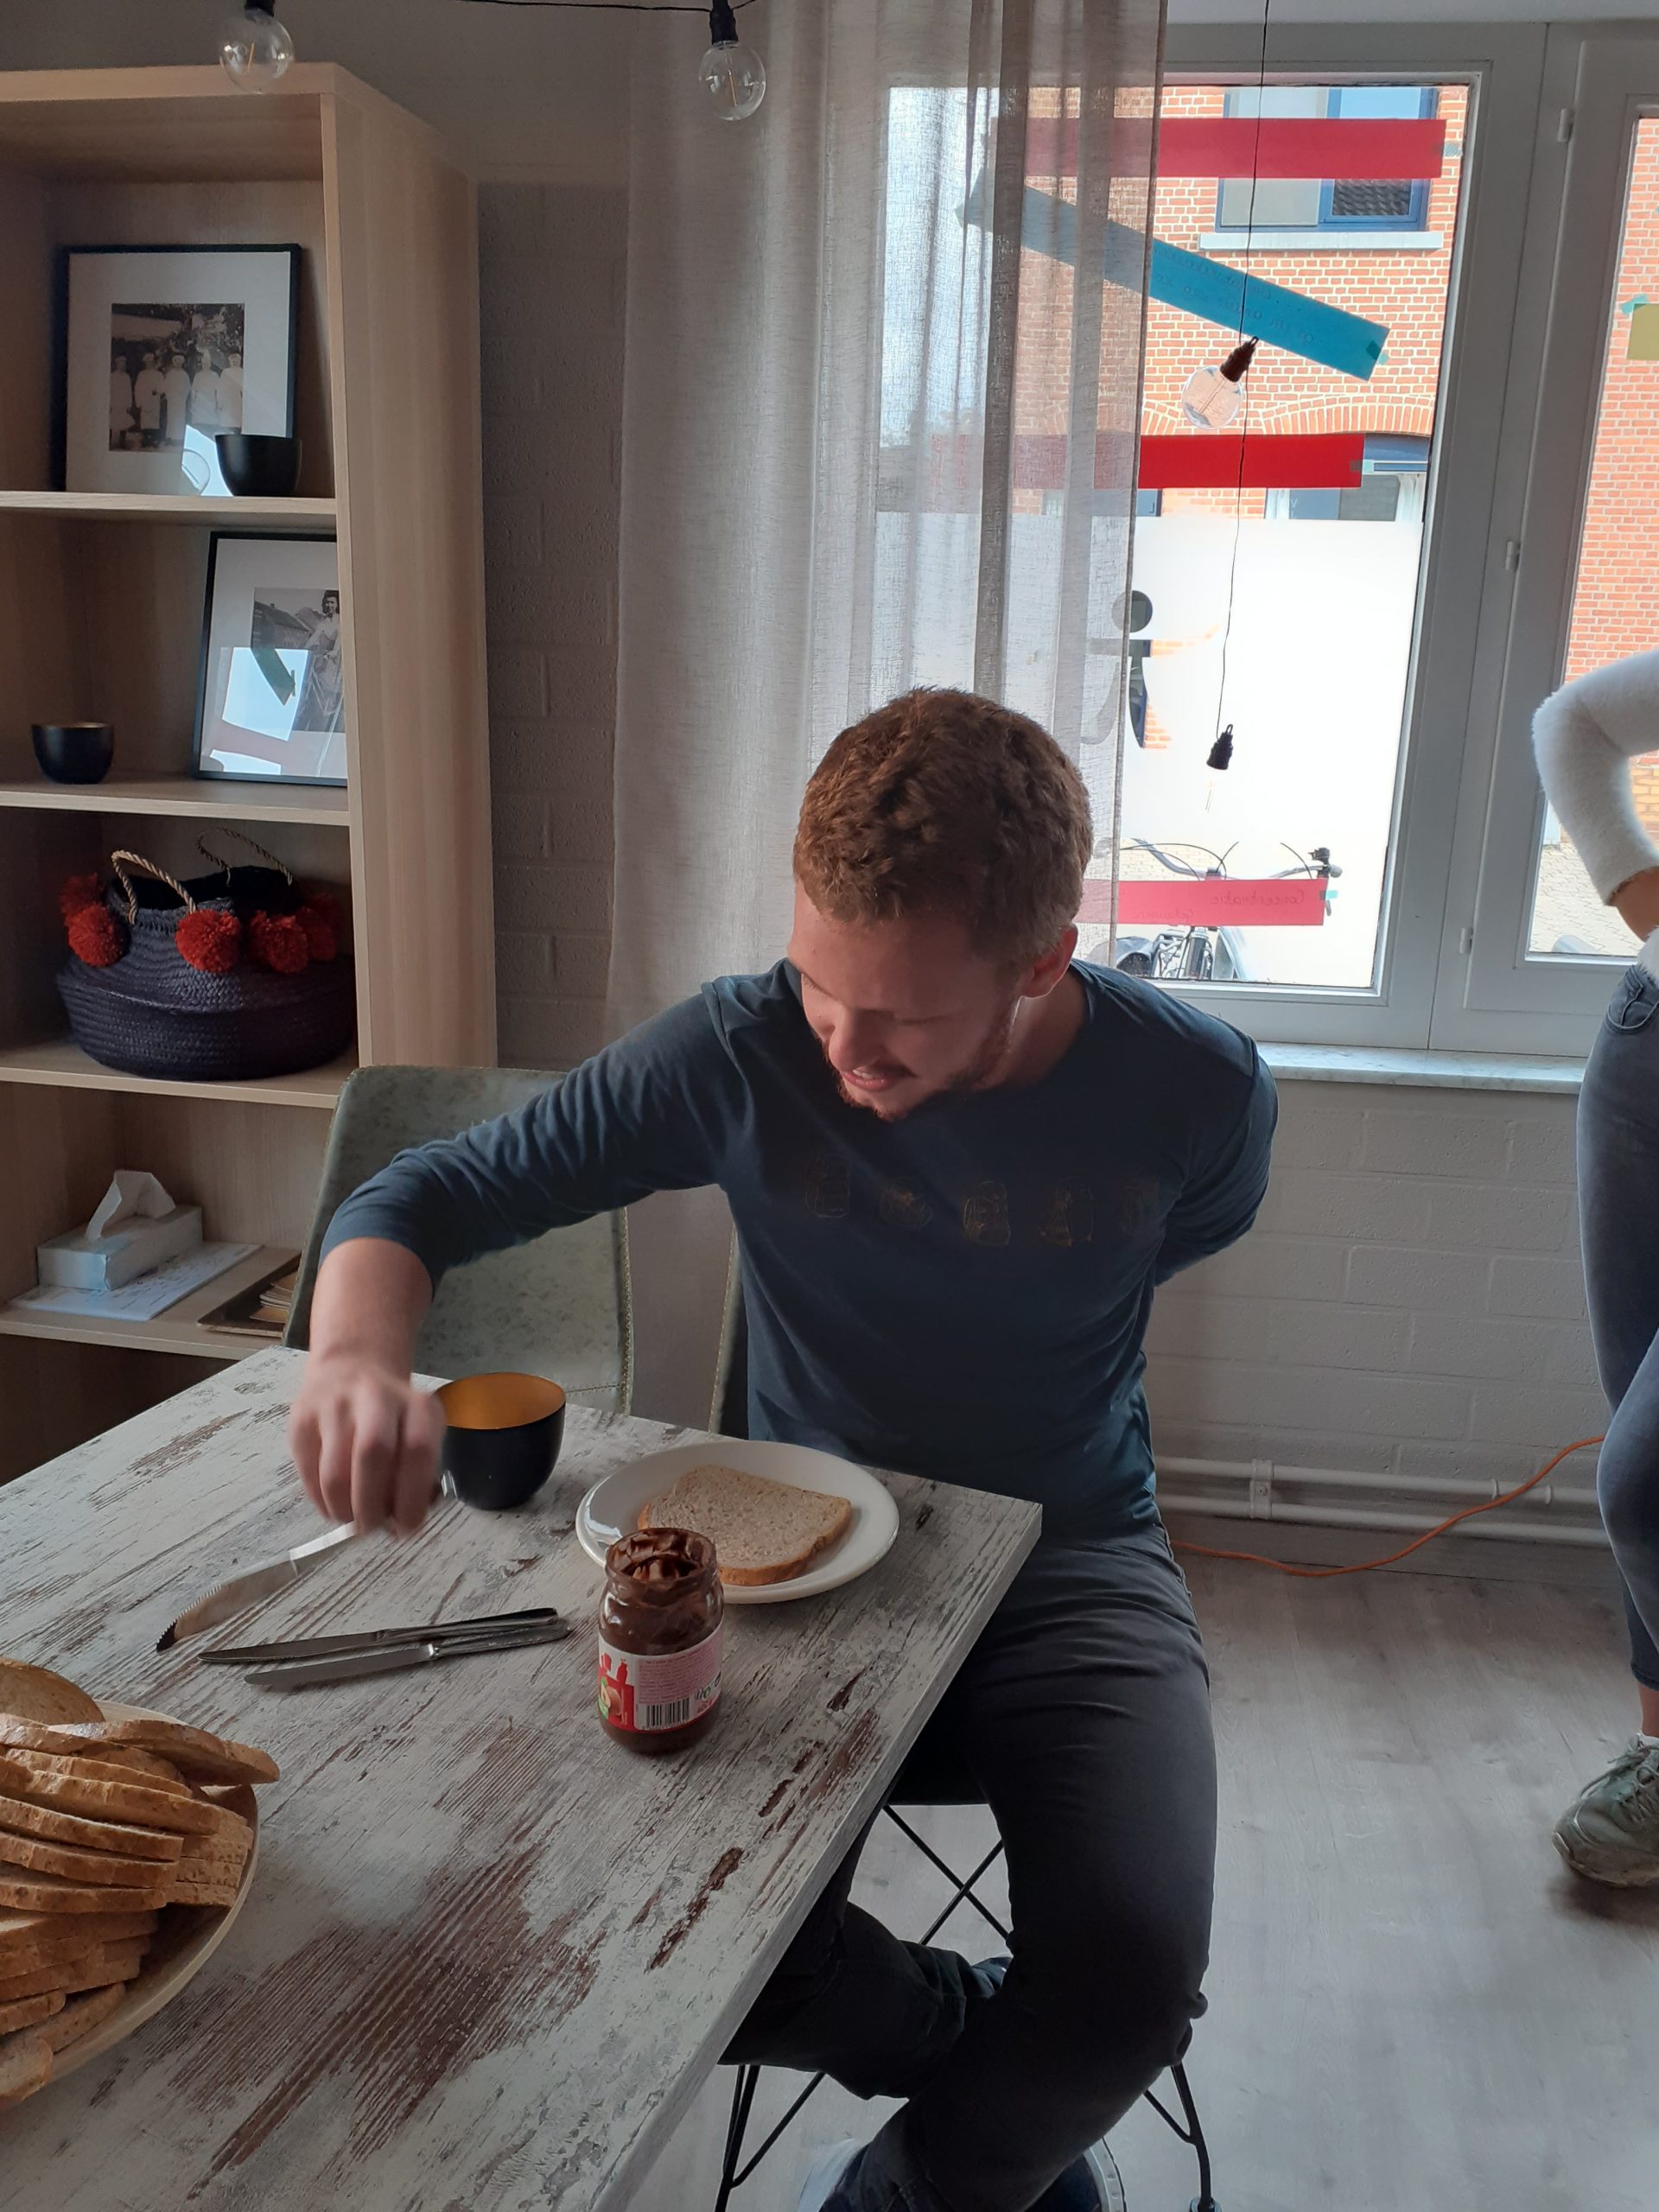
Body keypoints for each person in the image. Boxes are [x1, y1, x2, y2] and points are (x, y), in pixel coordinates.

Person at [288, 688, 1278, 2212]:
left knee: (1134, 1985)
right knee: (674, 1942)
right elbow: (422, 1196)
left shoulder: (1199, 1090)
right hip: (800, 1576)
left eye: (902, 1020)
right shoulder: (743, 1048)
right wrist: (355, 1356)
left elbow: (1181, 1234)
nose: (844, 1050)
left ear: (1042, 964)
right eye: (821, 986)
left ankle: (910, 2186)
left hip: (1074, 1557)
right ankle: (978, 2056)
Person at [1535, 646, 1659, 1887]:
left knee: (1646, 1477)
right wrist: (1644, 893)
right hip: (1649, 1054)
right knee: (1638, 1421)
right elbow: (1572, 720)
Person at [133, 350, 166, 451]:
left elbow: (162, 387)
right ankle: (146, 440)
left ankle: (154, 440)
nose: (149, 364)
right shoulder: (142, 374)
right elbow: (138, 389)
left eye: (151, 362)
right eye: (147, 362)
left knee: (154, 421)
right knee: (145, 422)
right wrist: (138, 401)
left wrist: (157, 391)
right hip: (145, 401)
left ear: (153, 362)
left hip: (154, 401)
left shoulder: (158, 374)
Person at [162, 351, 192, 448]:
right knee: (171, 419)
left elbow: (188, 388)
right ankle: (170, 438)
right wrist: (167, 395)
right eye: (176, 361)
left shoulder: (184, 375)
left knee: (179, 420)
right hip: (171, 400)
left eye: (179, 362)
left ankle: (179, 439)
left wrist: (182, 396)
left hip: (180, 402)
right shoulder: (170, 374)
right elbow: (165, 386)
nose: (178, 363)